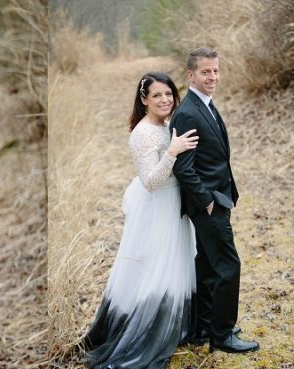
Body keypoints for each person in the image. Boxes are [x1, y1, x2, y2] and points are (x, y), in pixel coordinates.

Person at [84, 72, 200, 369]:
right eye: (157, 95)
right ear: (144, 99)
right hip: (157, 207)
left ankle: (175, 327)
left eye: (168, 94)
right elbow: (150, 181)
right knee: (155, 268)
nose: (164, 100)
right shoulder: (142, 133)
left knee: (174, 266)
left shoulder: (167, 125)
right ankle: (146, 334)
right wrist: (172, 153)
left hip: (175, 204)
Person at [170, 47, 259, 353]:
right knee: (228, 265)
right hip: (208, 203)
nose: (213, 77)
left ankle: (203, 328)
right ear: (190, 75)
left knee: (208, 265)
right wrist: (207, 201)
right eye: (206, 72)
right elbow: (184, 167)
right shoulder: (187, 112)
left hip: (219, 197)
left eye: (216, 71)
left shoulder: (204, 104)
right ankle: (222, 336)